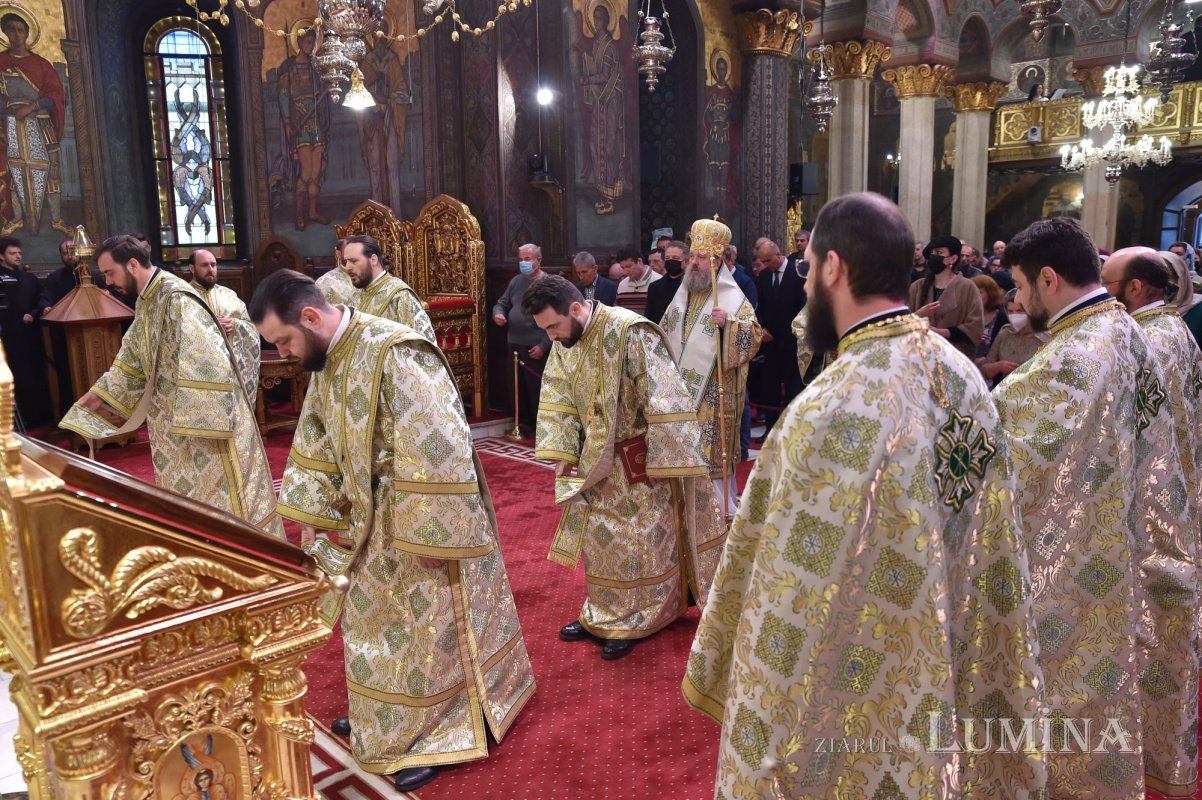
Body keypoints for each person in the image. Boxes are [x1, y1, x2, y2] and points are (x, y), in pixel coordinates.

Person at [684, 193, 1046, 799]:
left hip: (857, 684)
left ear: (831, 269)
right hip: (948, 637)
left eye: (808, 270)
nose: (803, 292)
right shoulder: (957, 370)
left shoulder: (830, 407)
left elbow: (786, 594)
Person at [252, 270, 535, 793]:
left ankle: (438, 730)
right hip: (363, 517)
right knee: (374, 624)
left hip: (411, 517)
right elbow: (314, 437)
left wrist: (430, 533)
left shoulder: (397, 350)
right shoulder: (327, 359)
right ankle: (388, 718)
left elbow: (439, 443)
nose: (285, 352)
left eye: (285, 340)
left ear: (310, 318)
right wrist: (318, 517)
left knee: (427, 625)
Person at [994, 218, 1191, 799]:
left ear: (1048, 278)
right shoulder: (1131, 333)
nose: (1018, 298)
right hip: (1126, 553)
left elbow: (1001, 469)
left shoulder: (1066, 363)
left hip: (1072, 576)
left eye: (1021, 285)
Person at [525, 276, 725, 660]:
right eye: (545, 329)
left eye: (553, 325)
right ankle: (603, 612)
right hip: (594, 461)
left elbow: (664, 395)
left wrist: (666, 459)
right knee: (602, 542)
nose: (550, 336)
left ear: (576, 308)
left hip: (638, 459)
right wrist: (564, 452)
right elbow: (559, 396)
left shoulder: (629, 332)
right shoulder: (564, 342)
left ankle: (644, 615)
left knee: (639, 541)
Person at [59, 235, 282, 537]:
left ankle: (245, 556)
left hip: (204, 425)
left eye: (110, 273)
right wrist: (99, 394)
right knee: (190, 503)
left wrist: (200, 421)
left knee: (224, 500)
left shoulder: (177, 297)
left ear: (133, 264)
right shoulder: (149, 299)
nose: (108, 282)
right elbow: (134, 356)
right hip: (172, 425)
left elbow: (209, 359)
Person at [1102, 246, 1202, 795]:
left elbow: (1131, 431)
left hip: (1152, 511)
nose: (1101, 291)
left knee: (1146, 633)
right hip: (1178, 499)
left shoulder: (1144, 340)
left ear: (1136, 288)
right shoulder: (1176, 331)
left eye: (1108, 281)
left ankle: (1134, 754)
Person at [659, 231, 762, 514]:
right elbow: (664, 332)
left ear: (716, 262)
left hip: (715, 393)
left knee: (713, 458)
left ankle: (718, 513)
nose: (692, 263)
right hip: (682, 392)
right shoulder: (684, 293)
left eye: (701, 257)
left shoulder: (731, 297)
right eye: (691, 256)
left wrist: (728, 324)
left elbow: (753, 338)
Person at [0, 11, 70, 237]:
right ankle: (18, 218)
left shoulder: (41, 64)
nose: (16, 35)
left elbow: (56, 95)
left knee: (51, 171)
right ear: (5, 33)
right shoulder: (1, 62)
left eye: (21, 30)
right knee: (16, 169)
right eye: (11, 29)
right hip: (12, 125)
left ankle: (57, 220)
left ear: (28, 33)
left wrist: (33, 106)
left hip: (41, 125)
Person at [276, 25, 331, 230]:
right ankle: (299, 213)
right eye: (308, 42)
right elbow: (283, 96)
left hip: (316, 122)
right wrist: (288, 123)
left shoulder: (316, 68)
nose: (311, 46)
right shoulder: (290, 70)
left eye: (313, 43)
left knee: (315, 173)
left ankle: (313, 211)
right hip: (301, 122)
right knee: (306, 173)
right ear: (299, 43)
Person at [492, 243, 551, 434]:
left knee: (536, 387)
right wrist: (498, 314)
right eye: (520, 259)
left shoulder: (548, 283)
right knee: (518, 387)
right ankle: (522, 423)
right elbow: (501, 303)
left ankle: (541, 426)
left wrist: (543, 344)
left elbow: (554, 318)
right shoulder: (516, 281)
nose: (523, 263)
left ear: (538, 260)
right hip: (514, 343)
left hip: (536, 345)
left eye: (528, 259)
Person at [188, 248, 260, 396]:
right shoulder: (183, 296)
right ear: (191, 268)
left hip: (231, 368)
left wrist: (234, 326)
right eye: (204, 265)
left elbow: (252, 328)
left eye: (213, 265)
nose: (210, 269)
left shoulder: (229, 295)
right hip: (197, 369)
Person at [752, 239, 805, 433]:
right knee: (770, 389)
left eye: (767, 260)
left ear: (778, 254)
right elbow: (760, 307)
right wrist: (762, 328)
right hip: (770, 343)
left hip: (792, 343)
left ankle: (791, 430)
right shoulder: (765, 276)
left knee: (793, 388)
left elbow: (803, 307)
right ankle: (771, 430)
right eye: (762, 261)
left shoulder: (797, 274)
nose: (765, 265)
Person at [343, 234, 435, 343]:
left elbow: (422, 343)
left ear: (373, 259)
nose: (348, 267)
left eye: (353, 261)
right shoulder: (355, 293)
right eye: (346, 262)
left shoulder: (400, 295)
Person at [908, 235, 984, 359]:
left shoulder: (967, 287)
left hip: (953, 358)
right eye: (931, 253)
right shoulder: (917, 287)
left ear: (952, 259)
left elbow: (975, 326)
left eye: (939, 252)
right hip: (921, 357)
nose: (933, 256)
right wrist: (919, 314)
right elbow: (901, 322)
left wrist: (943, 333)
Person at [0, 235, 49, 425]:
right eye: (13, 253)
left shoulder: (29, 278)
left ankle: (40, 418)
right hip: (8, 337)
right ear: (2, 256)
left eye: (20, 253)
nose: (18, 256)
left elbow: (40, 299)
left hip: (31, 336)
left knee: (35, 375)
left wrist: (34, 313)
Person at [978, 289, 1045, 387]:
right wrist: (998, 367)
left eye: (1019, 311)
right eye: (1010, 311)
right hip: (1004, 393)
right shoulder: (1005, 333)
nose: (1014, 315)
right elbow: (984, 370)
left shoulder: (1045, 338)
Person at [1164, 249, 1202, 348]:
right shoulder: (1139, 307)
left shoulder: (1198, 309)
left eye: (1169, 276)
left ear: (1182, 277)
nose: (1162, 283)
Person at [644, 239, 686, 325]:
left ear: (686, 261)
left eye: (675, 258)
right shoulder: (654, 287)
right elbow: (649, 317)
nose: (670, 261)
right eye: (667, 258)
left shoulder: (691, 286)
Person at [615, 245, 660, 316]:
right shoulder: (622, 285)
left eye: (628, 266)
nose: (625, 272)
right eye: (622, 268)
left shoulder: (658, 281)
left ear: (639, 261)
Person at [971, 273, 1007, 358]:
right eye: (972, 292)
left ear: (990, 294)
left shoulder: (1001, 318)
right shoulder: (965, 315)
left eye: (980, 292)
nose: (975, 296)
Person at [315, 237, 354, 306]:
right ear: (339, 254)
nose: (355, 255)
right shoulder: (324, 282)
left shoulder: (369, 276)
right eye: (350, 250)